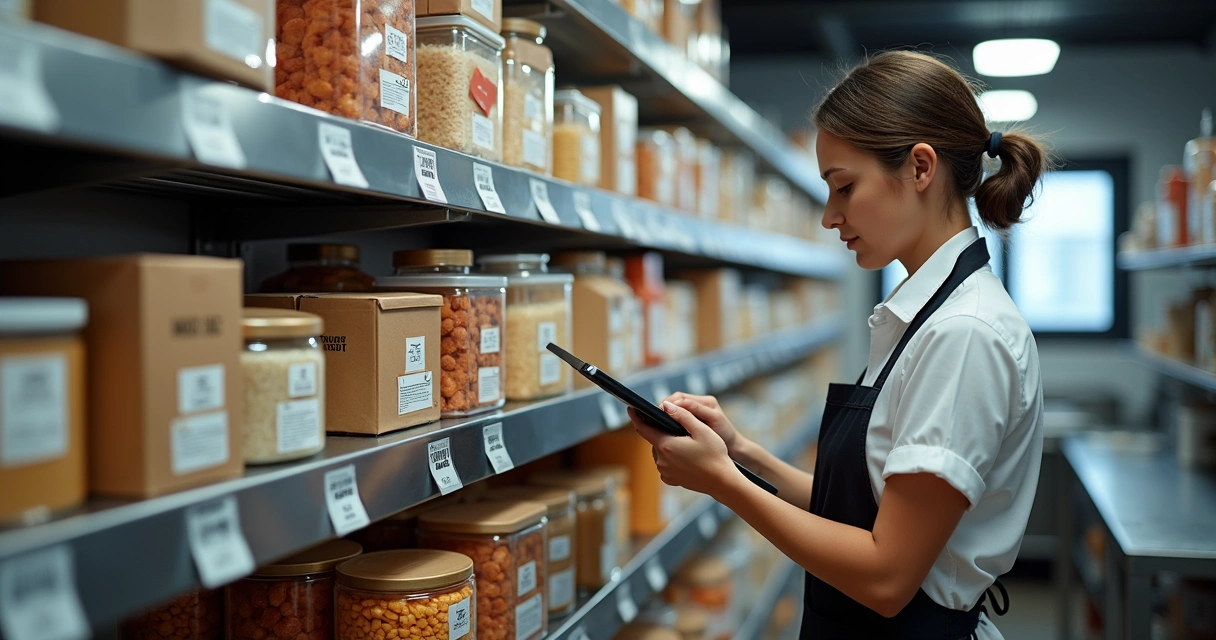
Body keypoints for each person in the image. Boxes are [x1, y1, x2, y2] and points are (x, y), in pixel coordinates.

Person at [632, 51, 1047, 639]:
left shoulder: (964, 335)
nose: (830, 217)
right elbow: (865, 513)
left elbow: (886, 576)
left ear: (920, 167)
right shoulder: (923, 317)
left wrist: (723, 482)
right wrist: (741, 453)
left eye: (844, 188)